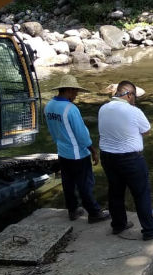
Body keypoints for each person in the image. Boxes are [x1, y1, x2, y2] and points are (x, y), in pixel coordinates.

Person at [98, 80, 153, 240]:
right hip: (130, 159)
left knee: (115, 192)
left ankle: (118, 225)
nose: (135, 99)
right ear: (129, 94)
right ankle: (150, 231)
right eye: (134, 96)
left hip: (107, 157)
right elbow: (147, 130)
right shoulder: (133, 111)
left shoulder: (103, 108)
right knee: (141, 193)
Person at [44, 75, 109, 223]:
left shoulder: (49, 106)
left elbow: (52, 131)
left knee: (68, 182)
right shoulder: (70, 109)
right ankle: (94, 213)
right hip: (77, 154)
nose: (76, 95)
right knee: (85, 184)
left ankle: (72, 210)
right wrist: (93, 150)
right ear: (68, 90)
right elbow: (81, 134)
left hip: (62, 151)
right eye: (75, 92)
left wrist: (60, 143)